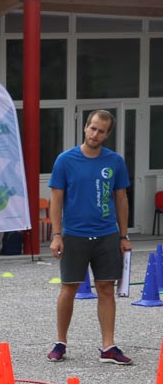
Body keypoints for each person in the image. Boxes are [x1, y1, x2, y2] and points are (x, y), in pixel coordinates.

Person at [47, 109, 132, 365]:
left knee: (106, 288)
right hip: (74, 235)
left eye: (101, 131)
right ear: (85, 127)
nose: (95, 134)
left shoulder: (115, 161)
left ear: (107, 134)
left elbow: (121, 198)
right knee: (69, 288)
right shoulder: (65, 160)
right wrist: (57, 235)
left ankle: (108, 346)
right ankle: (60, 342)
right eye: (92, 128)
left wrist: (124, 235)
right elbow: (56, 199)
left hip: (107, 234)